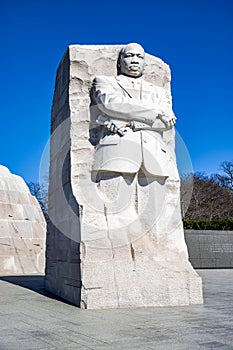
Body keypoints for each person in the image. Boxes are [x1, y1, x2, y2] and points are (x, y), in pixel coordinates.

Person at [91, 43, 177, 179]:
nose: (135, 60)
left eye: (139, 57)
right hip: (116, 153)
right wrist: (157, 110)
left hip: (156, 157)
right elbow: (111, 104)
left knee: (156, 200)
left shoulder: (159, 92)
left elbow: (167, 123)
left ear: (144, 63)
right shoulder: (104, 82)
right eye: (129, 56)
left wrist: (131, 123)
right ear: (119, 62)